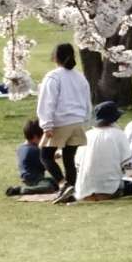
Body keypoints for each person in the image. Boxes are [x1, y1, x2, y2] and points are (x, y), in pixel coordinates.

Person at [35, 41, 90, 193]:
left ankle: (62, 183)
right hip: (78, 121)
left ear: (55, 57)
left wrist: (46, 124)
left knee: (45, 156)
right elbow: (87, 100)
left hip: (61, 121)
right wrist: (85, 119)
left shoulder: (53, 77)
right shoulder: (80, 77)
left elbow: (47, 101)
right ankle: (71, 190)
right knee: (69, 159)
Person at [72, 100, 132, 201]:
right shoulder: (119, 135)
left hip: (83, 191)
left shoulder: (87, 135)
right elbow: (127, 167)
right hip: (109, 189)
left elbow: (77, 165)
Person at [6, 119, 58, 197]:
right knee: (48, 187)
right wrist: (52, 157)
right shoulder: (34, 150)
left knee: (58, 181)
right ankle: (22, 190)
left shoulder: (21, 147)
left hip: (29, 178)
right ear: (35, 137)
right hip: (34, 180)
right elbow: (46, 164)